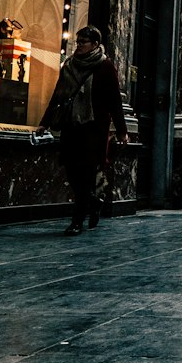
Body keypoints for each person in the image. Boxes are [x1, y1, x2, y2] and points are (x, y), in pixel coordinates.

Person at [38, 26, 127, 235]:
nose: (79, 46)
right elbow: (58, 95)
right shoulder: (69, 65)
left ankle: (77, 221)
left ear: (95, 45)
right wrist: (45, 121)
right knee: (72, 171)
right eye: (77, 42)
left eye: (83, 42)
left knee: (85, 173)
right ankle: (93, 202)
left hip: (93, 130)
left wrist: (122, 130)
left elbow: (115, 102)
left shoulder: (105, 67)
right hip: (71, 127)